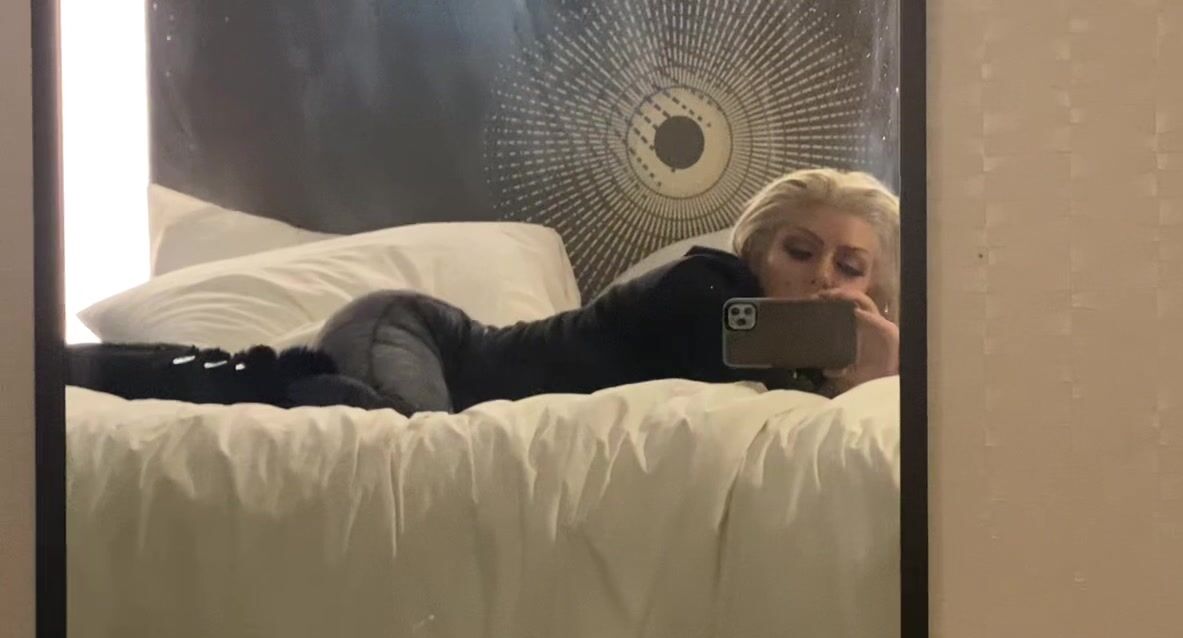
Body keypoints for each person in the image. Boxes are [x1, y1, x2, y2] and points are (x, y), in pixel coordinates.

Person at [67, 168, 900, 414]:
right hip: (419, 338)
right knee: (394, 443)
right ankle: (75, 369)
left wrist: (871, 372)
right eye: (800, 251)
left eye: (849, 267)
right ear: (755, 250)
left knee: (351, 411)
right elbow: (729, 353)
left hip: (418, 368)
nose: (821, 276)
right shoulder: (703, 286)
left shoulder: (833, 382)